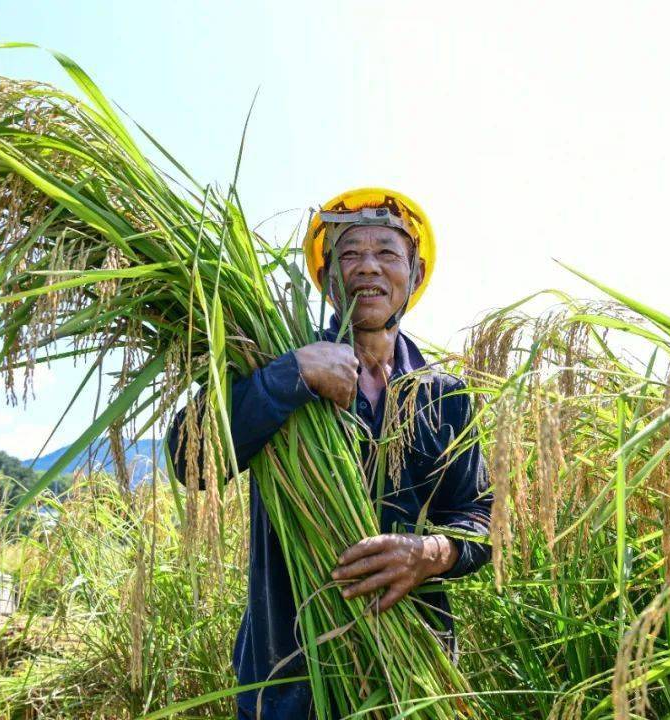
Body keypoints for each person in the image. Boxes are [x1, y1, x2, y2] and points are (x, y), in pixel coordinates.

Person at [167, 187, 492, 719]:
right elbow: (189, 459)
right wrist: (289, 377)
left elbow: (481, 520)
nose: (368, 266)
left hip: (409, 676)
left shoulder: (445, 395)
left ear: (413, 274)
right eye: (349, 253)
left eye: (387, 253)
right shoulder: (270, 362)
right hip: (287, 677)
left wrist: (429, 553)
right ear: (328, 280)